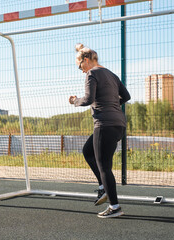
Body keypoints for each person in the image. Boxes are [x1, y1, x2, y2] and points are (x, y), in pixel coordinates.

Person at [69, 43, 130, 218]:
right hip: (119, 124)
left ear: (86, 60)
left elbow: (88, 99)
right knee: (88, 151)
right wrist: (111, 105)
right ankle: (103, 187)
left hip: (104, 124)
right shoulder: (111, 74)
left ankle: (115, 206)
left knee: (104, 167)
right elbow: (126, 96)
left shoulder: (92, 73)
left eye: (79, 66)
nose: (81, 70)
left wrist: (74, 100)